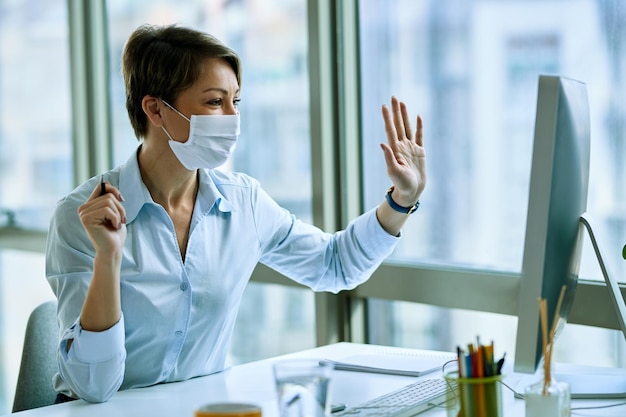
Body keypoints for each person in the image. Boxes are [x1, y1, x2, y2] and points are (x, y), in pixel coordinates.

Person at [45, 23, 426, 404]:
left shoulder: (243, 203)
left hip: (196, 410)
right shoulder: (81, 218)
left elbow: (335, 264)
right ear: (156, 109)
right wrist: (108, 257)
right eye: (215, 102)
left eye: (236, 102)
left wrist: (401, 199)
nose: (232, 117)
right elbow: (92, 388)